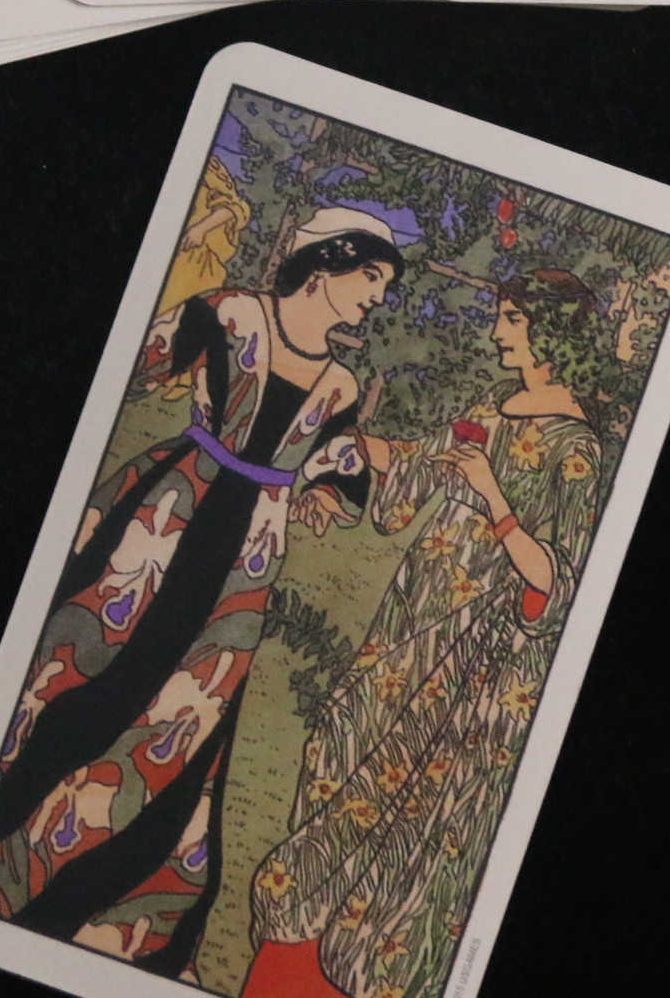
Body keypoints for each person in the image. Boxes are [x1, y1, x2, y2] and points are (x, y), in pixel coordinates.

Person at [0, 207, 409, 972]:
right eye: (370, 277)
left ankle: (102, 896)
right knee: (78, 672)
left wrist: (327, 496)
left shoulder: (341, 384)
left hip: (245, 566)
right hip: (161, 519)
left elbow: (340, 475)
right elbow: (130, 365)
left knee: (183, 720)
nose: (376, 297)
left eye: (385, 286)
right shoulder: (227, 314)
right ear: (326, 264)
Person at [241, 269, 613, 998]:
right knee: (339, 746)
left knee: (406, 819)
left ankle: (342, 968)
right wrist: (337, 438)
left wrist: (494, 498)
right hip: (409, 628)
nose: (499, 331)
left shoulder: (577, 448)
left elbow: (556, 580)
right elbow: (418, 463)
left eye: (512, 319)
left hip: (474, 667)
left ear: (551, 334)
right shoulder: (495, 404)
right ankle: (291, 943)